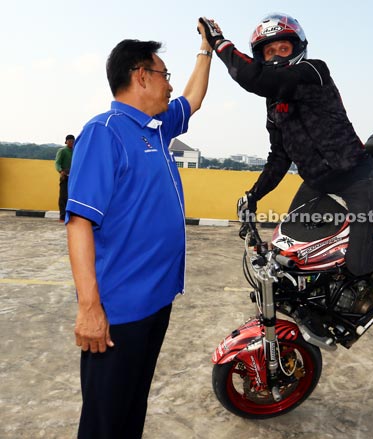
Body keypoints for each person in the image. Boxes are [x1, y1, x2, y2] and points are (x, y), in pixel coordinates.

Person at [65, 21, 212, 439]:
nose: (169, 85)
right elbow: (79, 224)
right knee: (105, 422)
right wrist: (89, 308)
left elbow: (193, 99)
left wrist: (206, 51)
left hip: (155, 302)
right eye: (164, 74)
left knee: (132, 409)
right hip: (119, 313)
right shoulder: (104, 133)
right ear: (141, 76)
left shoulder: (157, 129)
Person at [199, 14, 373, 278]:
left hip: (356, 178)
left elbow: (255, 78)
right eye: (269, 52)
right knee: (287, 251)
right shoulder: (273, 102)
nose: (275, 56)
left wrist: (218, 41)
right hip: (317, 182)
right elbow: (279, 157)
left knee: (359, 263)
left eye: (282, 49)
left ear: (297, 48)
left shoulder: (314, 72)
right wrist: (253, 195)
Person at [54, 134, 75, 221]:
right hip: (65, 176)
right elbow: (57, 163)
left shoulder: (76, 151)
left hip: (74, 177)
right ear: (66, 142)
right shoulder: (62, 151)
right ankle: (62, 216)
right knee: (63, 197)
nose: (71, 143)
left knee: (73, 196)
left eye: (73, 141)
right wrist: (61, 171)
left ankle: (71, 216)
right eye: (69, 141)